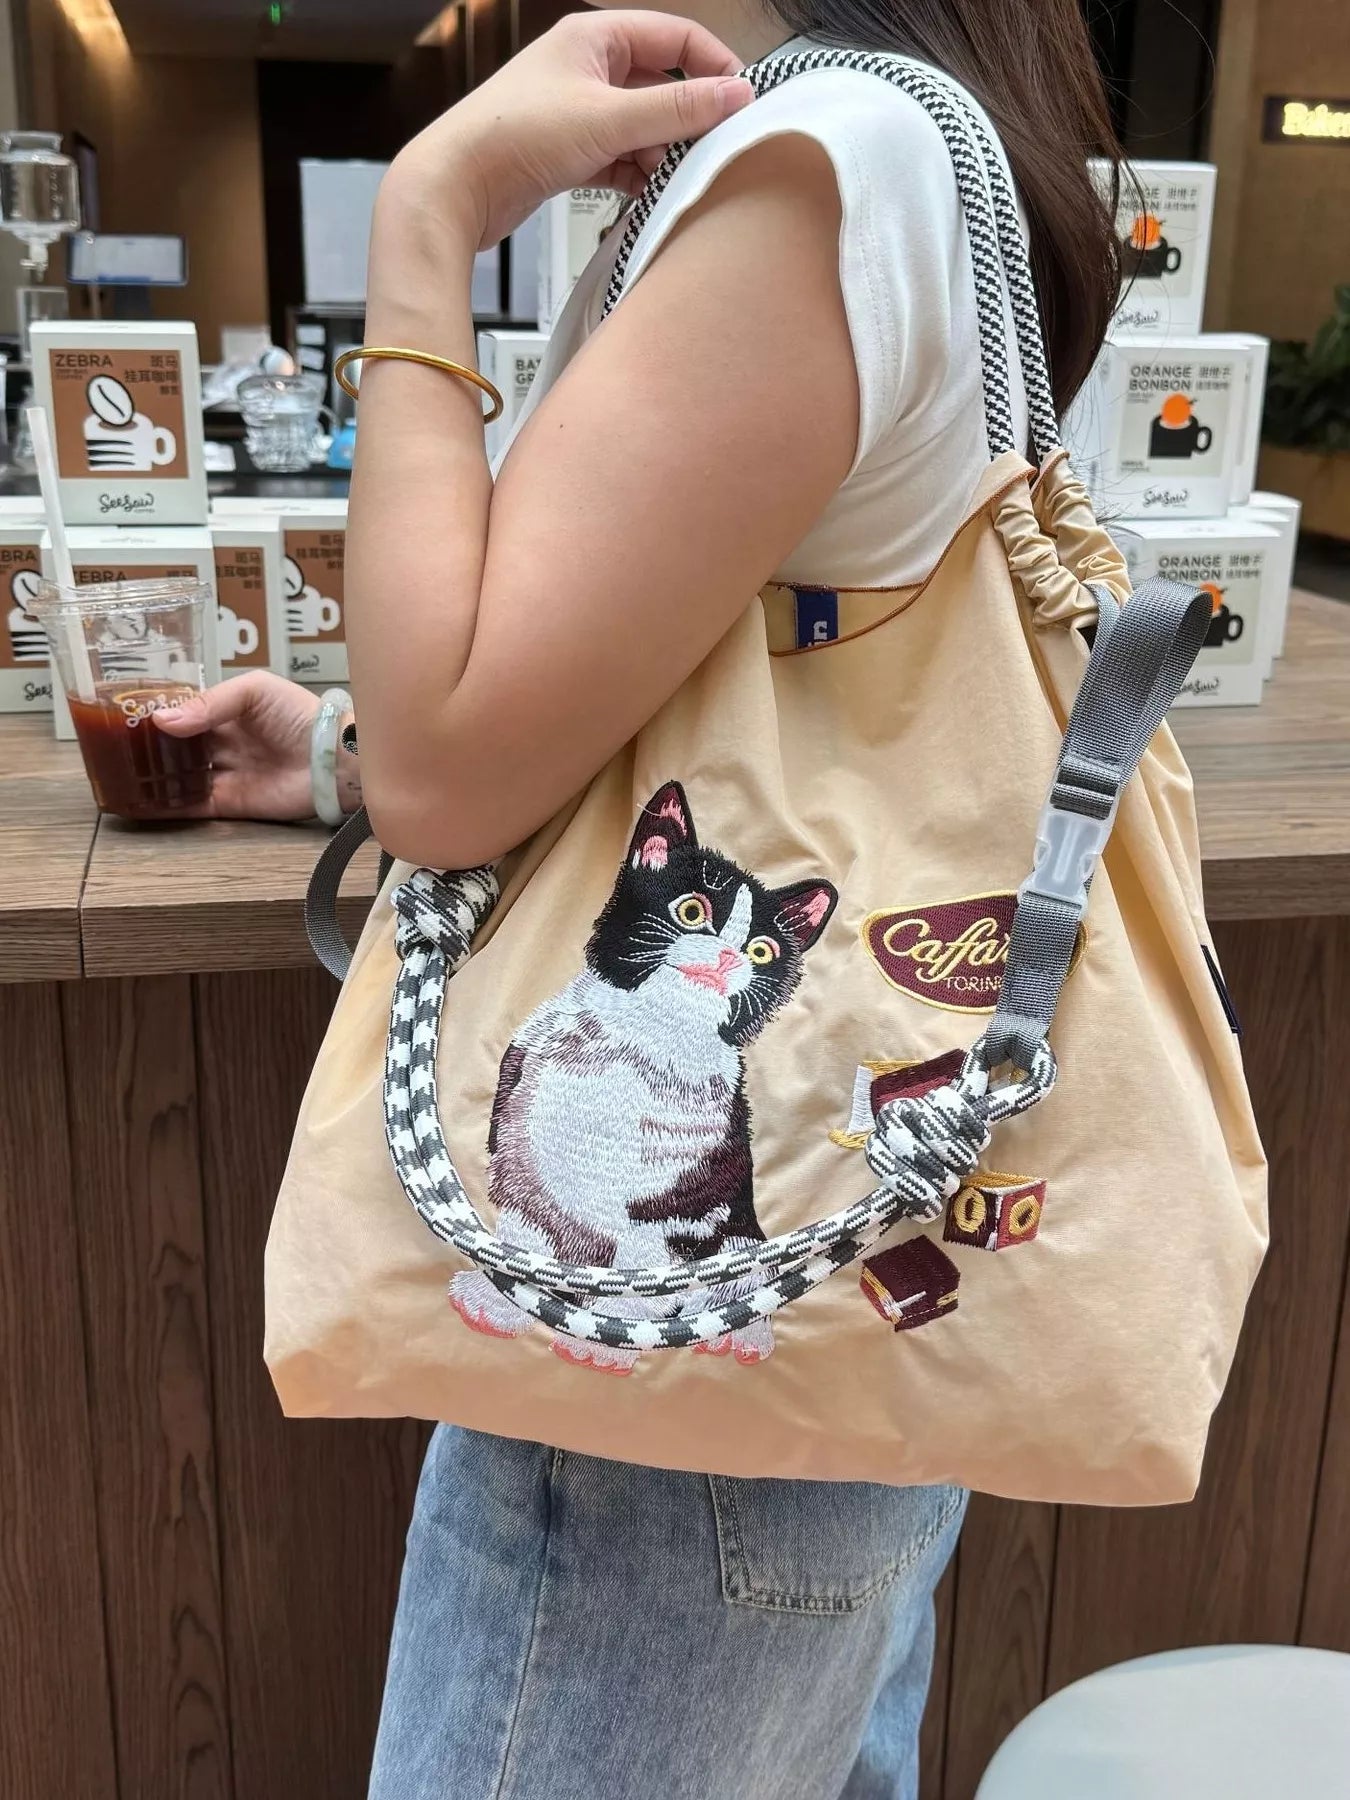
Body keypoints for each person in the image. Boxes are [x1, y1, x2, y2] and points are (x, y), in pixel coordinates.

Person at [156, 2, 1123, 1791]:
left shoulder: (821, 161)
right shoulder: (866, 147)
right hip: (801, 1329)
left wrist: (429, 217)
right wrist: (358, 748)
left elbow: (454, 784)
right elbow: (622, 689)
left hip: (665, 1418)